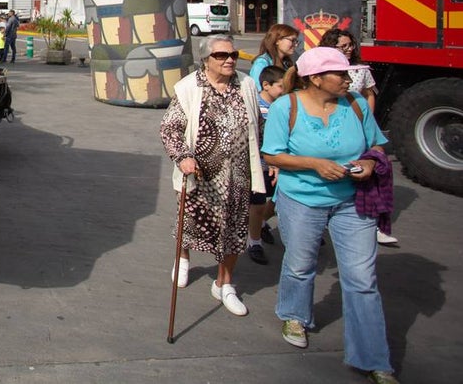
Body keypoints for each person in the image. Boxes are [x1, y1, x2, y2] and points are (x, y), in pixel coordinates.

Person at [260, 47, 398, 384]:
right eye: (340, 73)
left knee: (362, 281)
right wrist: (314, 164)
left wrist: (368, 163)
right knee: (301, 263)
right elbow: (272, 155)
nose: (348, 79)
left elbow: (377, 145)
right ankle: (294, 315)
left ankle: (374, 359)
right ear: (315, 78)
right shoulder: (285, 107)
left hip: (353, 201)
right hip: (301, 200)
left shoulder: (356, 104)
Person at [160, 34, 264, 316]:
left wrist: (266, 161)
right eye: (221, 55)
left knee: (233, 230)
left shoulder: (247, 84)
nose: (229, 59)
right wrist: (183, 157)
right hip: (200, 174)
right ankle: (182, 257)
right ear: (206, 60)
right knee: (190, 222)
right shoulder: (188, 87)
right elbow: (170, 129)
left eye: (233, 54)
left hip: (239, 174)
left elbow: (258, 124)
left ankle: (224, 283)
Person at [318, 28, 397, 246]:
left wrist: (366, 118)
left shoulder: (361, 70)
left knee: (368, 172)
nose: (348, 50)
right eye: (342, 46)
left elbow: (369, 94)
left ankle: (374, 220)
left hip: (358, 123)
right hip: (334, 125)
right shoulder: (321, 72)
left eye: (350, 45)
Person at [247, 65, 285, 264]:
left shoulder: (282, 106)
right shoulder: (256, 106)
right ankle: (255, 242)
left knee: (277, 199)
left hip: (278, 165)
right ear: (266, 85)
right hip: (259, 165)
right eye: (281, 86)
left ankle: (261, 224)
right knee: (258, 203)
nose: (284, 90)